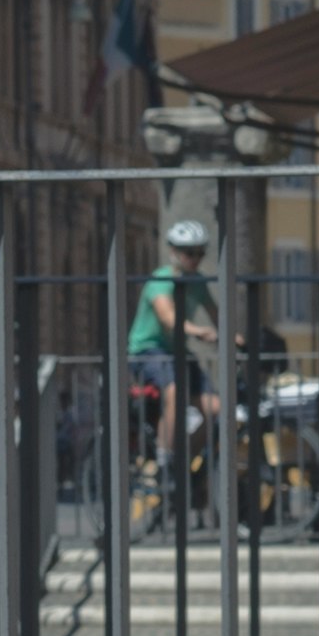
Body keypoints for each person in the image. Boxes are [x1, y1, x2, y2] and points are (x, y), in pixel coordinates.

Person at [128, 215, 222, 521]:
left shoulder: (197, 282)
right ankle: (165, 459)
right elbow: (168, 318)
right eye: (188, 252)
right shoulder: (160, 280)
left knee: (216, 407)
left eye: (199, 252)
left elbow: (217, 314)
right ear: (174, 252)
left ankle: (183, 460)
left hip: (177, 350)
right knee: (175, 391)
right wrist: (201, 333)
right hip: (148, 350)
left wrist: (237, 338)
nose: (194, 258)